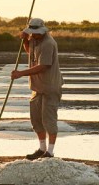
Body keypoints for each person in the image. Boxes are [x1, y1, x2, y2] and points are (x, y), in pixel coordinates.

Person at [10, 17, 63, 159]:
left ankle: (50, 152)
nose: (35, 35)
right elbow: (30, 53)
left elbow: (43, 66)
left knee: (48, 119)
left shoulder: (48, 43)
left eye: (37, 33)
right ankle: (41, 148)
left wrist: (20, 73)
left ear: (43, 30)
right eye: (32, 33)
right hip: (37, 87)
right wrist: (25, 40)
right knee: (36, 120)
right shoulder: (33, 38)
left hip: (50, 87)